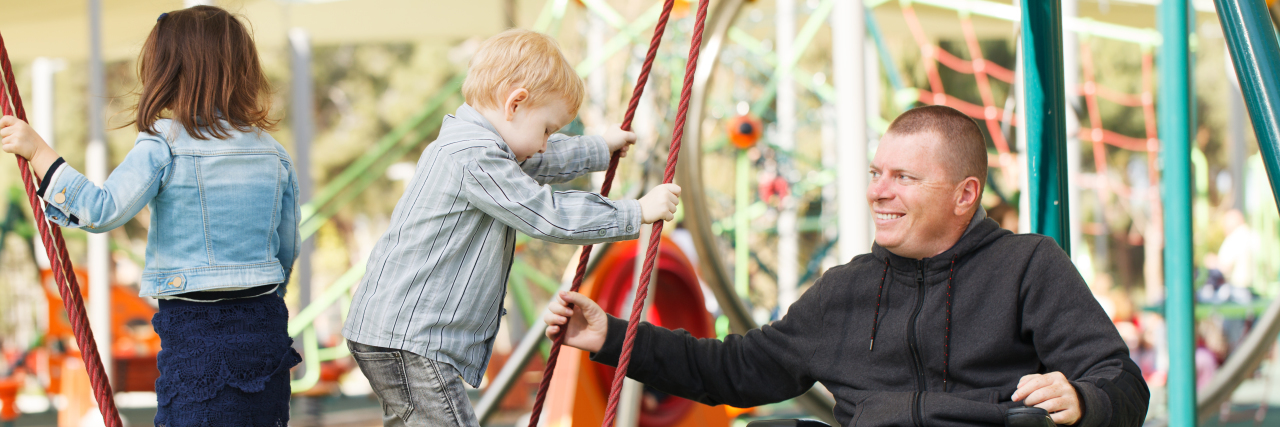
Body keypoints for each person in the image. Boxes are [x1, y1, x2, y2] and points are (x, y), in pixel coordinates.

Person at [545, 105, 1150, 426]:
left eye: (904, 178)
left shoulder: (1027, 267)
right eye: (875, 174)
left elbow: (1119, 382)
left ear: (964, 195)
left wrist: (1083, 399)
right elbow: (735, 370)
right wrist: (609, 336)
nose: (878, 192)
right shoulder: (849, 290)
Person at [341, 29, 681, 427]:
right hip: (413, 341)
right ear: (515, 103)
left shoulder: (476, 144)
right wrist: (635, 211)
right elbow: (546, 213)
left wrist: (596, 148)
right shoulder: (474, 157)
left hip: (394, 334)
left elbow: (537, 160)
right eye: (547, 129)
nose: (543, 143)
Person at [1, 6, 302, 426]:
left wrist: (39, 152)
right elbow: (287, 246)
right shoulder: (272, 151)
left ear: (169, 72)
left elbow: (101, 209)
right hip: (263, 327)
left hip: (197, 332)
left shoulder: (164, 143)